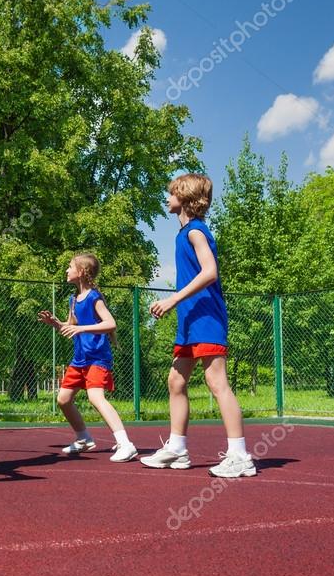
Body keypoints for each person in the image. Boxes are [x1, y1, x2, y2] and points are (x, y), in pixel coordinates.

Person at [140, 173, 256, 477]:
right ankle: (177, 449)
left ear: (185, 198)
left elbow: (210, 272)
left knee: (217, 383)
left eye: (171, 194)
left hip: (207, 318)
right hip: (190, 322)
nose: (166, 199)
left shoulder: (196, 232)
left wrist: (172, 300)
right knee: (176, 382)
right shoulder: (183, 234)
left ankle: (240, 455)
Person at [38, 254, 137, 461]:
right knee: (63, 399)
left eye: (69, 266)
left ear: (81, 271)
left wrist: (81, 329)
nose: (66, 270)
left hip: (97, 358)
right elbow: (71, 326)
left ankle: (125, 444)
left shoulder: (94, 297)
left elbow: (111, 324)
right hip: (79, 359)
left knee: (95, 397)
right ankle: (84, 438)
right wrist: (56, 324)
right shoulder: (73, 300)